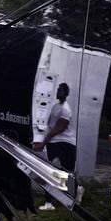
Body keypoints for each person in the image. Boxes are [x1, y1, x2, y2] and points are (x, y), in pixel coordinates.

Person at [32, 82, 82, 210]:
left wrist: (43, 142)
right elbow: (49, 126)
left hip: (66, 143)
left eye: (60, 90)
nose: (58, 92)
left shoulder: (66, 109)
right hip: (53, 143)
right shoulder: (55, 107)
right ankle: (49, 203)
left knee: (67, 172)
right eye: (58, 90)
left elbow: (58, 128)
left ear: (66, 93)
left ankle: (77, 191)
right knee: (51, 171)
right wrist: (41, 139)